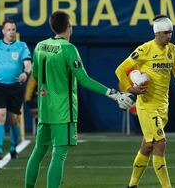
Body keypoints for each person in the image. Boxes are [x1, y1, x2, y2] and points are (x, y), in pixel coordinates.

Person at [24, 10, 134, 188]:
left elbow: (36, 75)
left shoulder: (40, 46)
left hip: (45, 110)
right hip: (63, 111)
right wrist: (114, 94)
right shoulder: (68, 49)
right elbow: (83, 79)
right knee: (58, 155)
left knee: (38, 151)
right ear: (69, 26)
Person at [115, 15, 175, 188]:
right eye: (166, 33)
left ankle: (132, 184)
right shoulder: (144, 50)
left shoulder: (172, 50)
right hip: (147, 105)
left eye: (171, 32)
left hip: (163, 105)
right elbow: (120, 70)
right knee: (160, 143)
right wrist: (129, 88)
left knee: (148, 145)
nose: (169, 36)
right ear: (157, 33)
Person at [0, 19, 32, 160]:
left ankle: (14, 147)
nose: (11, 32)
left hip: (15, 87)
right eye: (8, 29)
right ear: (3, 31)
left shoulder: (22, 46)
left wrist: (25, 73)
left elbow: (28, 63)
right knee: (0, 116)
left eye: (13, 29)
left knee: (14, 119)